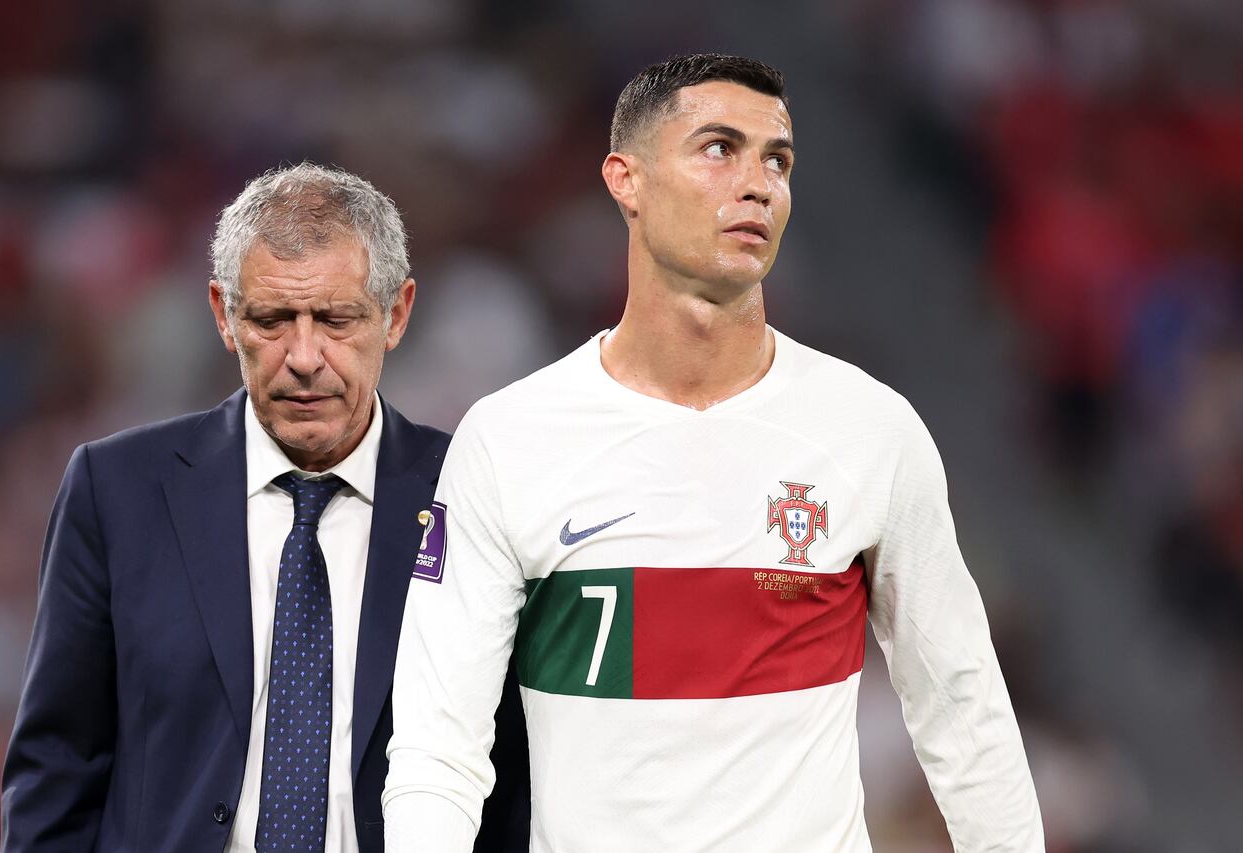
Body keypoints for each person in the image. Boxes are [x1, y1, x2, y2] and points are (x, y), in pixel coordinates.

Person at [382, 55, 1043, 851]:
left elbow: (963, 709)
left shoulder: (869, 429)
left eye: (778, 159)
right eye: (719, 148)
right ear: (626, 180)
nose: (759, 183)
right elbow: (439, 745)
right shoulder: (510, 439)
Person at [1, 163, 528, 853]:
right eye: (274, 319)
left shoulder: (475, 491)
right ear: (224, 314)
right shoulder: (116, 490)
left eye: (336, 319)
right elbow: (58, 766)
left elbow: (519, 774)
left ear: (395, 314)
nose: (304, 356)